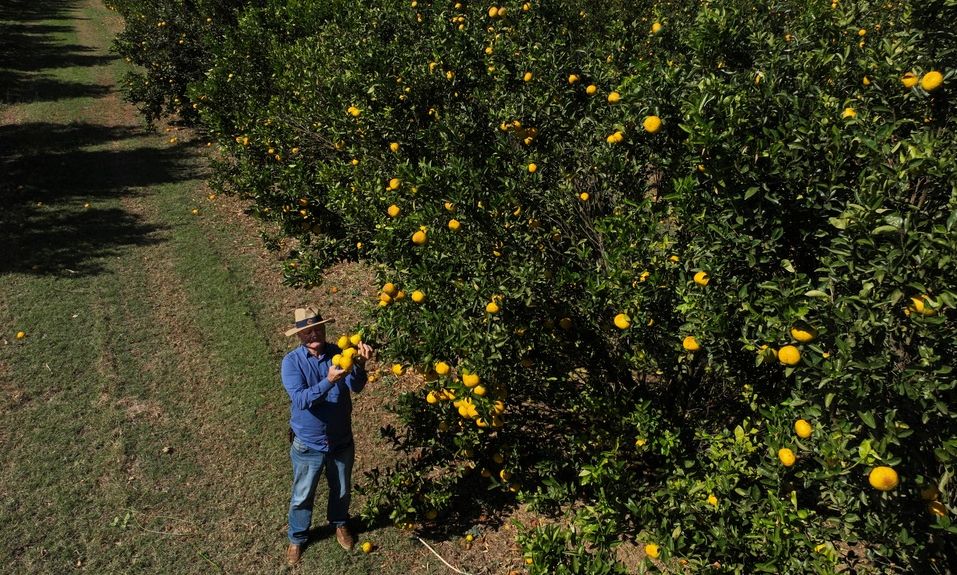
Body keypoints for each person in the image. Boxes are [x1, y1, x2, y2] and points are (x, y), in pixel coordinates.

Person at [280, 306, 373, 565]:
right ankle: (297, 538)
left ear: (324, 328)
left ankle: (340, 524)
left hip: (340, 439)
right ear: (299, 336)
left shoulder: (340, 353)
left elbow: (356, 387)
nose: (313, 335)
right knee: (302, 495)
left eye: (317, 329)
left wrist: (360, 365)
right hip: (308, 443)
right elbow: (300, 400)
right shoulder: (291, 362)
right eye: (307, 332)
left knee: (341, 489)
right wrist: (329, 381)